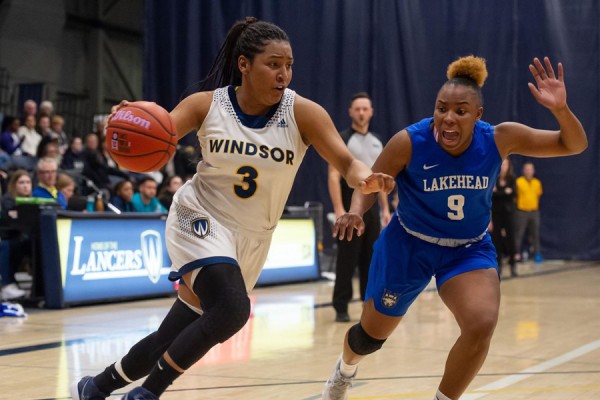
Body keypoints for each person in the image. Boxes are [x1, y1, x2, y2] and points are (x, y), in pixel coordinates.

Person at [71, 17, 393, 400]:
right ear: (244, 64)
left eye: (289, 65)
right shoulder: (206, 105)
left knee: (170, 336)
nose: (283, 74)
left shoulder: (304, 113)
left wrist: (364, 178)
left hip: (252, 238)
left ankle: (96, 386)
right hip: (199, 217)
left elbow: (346, 162)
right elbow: (159, 136)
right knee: (232, 310)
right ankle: (147, 394)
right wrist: (132, 124)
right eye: (273, 64)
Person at [322, 55, 587, 400]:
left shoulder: (498, 138)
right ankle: (345, 370)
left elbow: (574, 144)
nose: (448, 118)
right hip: (409, 243)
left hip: (467, 249)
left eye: (460, 111)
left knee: (480, 325)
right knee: (368, 338)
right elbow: (369, 184)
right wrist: (356, 211)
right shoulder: (409, 141)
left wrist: (561, 110)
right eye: (441, 108)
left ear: (477, 116)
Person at [328, 92, 390, 323]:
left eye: (366, 108)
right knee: (347, 258)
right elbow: (334, 175)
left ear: (371, 112)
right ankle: (341, 307)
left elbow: (380, 179)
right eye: (358, 109)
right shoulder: (342, 139)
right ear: (351, 112)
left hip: (371, 205)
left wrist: (385, 209)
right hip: (349, 203)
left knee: (370, 258)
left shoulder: (378, 140)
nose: (362, 112)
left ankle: (368, 304)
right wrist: (339, 208)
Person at [0, 169, 31, 300]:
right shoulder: (8, 199)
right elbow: (11, 219)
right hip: (9, 236)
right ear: (14, 184)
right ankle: (7, 284)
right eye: (21, 182)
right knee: (7, 245)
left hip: (21, 236)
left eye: (28, 182)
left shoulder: (32, 200)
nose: (25, 186)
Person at [490, 157, 517, 277]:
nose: (503, 167)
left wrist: (499, 193)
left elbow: (514, 194)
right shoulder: (494, 179)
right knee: (497, 239)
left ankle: (513, 265)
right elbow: (491, 195)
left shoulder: (512, 179)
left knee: (511, 239)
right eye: (502, 165)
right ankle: (499, 265)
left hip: (509, 213)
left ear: (509, 166)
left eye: (505, 165)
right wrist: (505, 192)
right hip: (496, 213)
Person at [514, 161, 544, 263]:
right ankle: (516, 253)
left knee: (535, 234)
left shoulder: (537, 183)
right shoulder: (518, 182)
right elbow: (514, 197)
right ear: (523, 171)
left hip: (534, 212)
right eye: (526, 169)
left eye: (530, 169)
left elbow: (538, 196)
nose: (528, 171)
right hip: (521, 212)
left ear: (533, 171)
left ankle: (537, 253)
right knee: (519, 234)